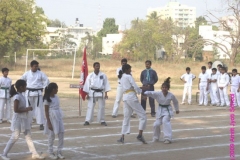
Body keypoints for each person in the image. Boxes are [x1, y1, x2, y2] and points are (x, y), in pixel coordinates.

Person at [0, 80, 44, 160]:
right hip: (18, 120)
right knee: (15, 137)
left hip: (24, 119)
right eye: (25, 86)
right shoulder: (17, 97)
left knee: (28, 136)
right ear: (21, 87)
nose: (26, 87)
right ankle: (4, 154)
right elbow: (16, 110)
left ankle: (34, 153)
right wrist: (27, 109)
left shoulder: (21, 95)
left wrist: (27, 109)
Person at [117, 64, 147, 144]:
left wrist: (140, 89)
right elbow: (134, 86)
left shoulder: (122, 77)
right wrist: (142, 93)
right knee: (143, 115)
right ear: (126, 69)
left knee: (126, 117)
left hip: (126, 97)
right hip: (131, 97)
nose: (131, 70)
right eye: (130, 69)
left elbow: (130, 87)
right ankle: (140, 134)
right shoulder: (128, 76)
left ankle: (122, 137)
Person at [144, 77, 179, 144]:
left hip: (167, 110)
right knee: (156, 124)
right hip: (160, 110)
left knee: (165, 121)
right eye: (163, 87)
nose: (164, 89)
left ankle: (168, 138)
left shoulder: (171, 95)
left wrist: (177, 109)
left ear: (168, 88)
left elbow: (175, 102)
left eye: (165, 88)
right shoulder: (158, 94)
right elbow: (150, 93)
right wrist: (145, 94)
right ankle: (156, 137)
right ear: (161, 88)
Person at [21, 60, 49, 130]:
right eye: (35, 66)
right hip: (29, 92)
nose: (36, 68)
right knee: (29, 108)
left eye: (37, 66)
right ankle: (28, 123)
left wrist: (43, 87)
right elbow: (21, 80)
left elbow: (47, 80)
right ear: (31, 66)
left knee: (39, 108)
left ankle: (41, 123)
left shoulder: (40, 73)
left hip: (38, 92)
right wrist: (24, 88)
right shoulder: (27, 74)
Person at [83, 62, 111, 126]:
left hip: (101, 92)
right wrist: (87, 94)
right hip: (92, 92)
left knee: (101, 107)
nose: (98, 67)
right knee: (90, 107)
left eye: (98, 66)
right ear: (94, 67)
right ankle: (87, 120)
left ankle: (102, 120)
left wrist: (106, 93)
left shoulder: (103, 75)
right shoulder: (90, 75)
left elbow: (106, 84)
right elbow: (87, 85)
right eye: (96, 66)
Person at [43, 83, 65, 159]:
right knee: (51, 136)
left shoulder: (56, 97)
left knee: (61, 133)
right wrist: (49, 122)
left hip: (58, 116)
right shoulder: (47, 99)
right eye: (56, 89)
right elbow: (46, 111)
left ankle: (59, 151)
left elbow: (58, 107)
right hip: (52, 117)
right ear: (53, 89)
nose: (57, 90)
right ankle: (50, 152)